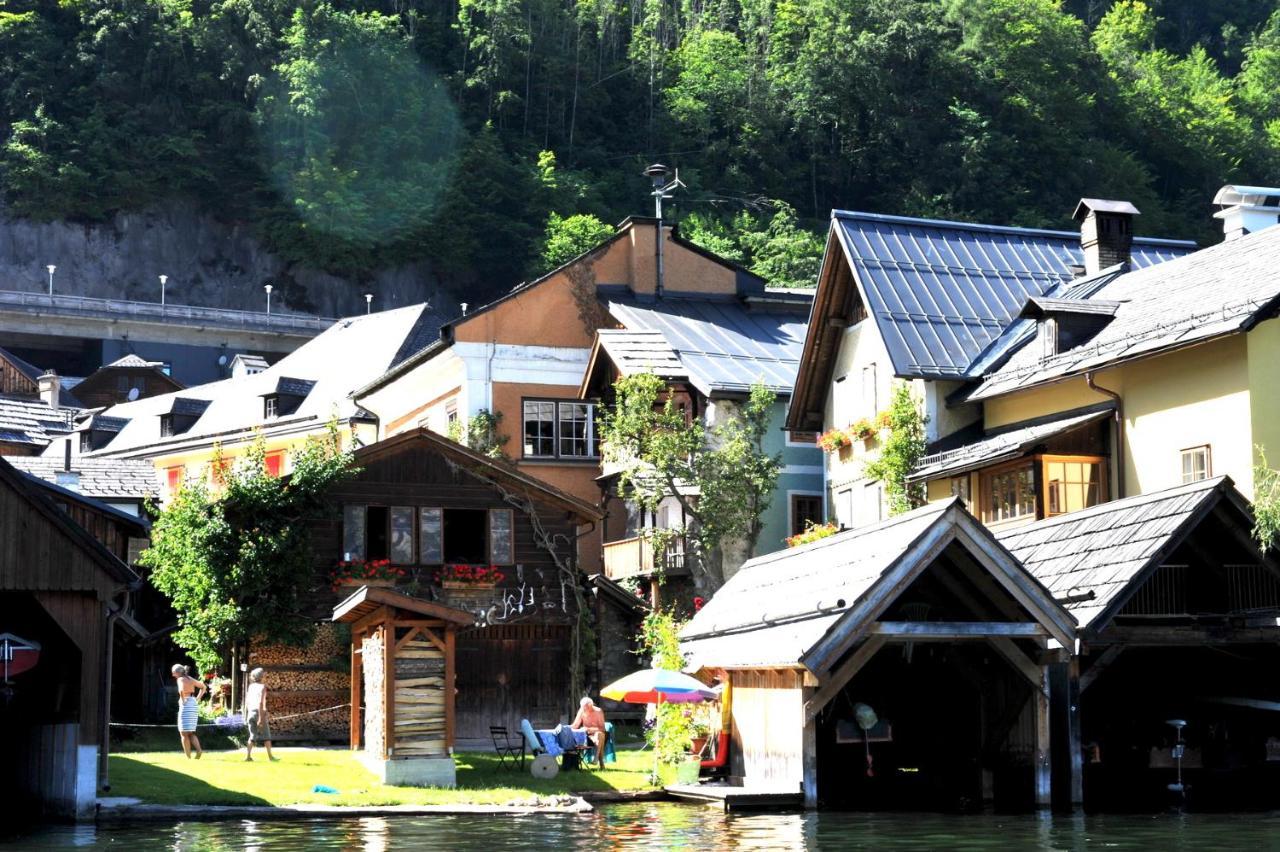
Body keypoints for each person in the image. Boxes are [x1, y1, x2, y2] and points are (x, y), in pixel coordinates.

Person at [171, 664, 205, 759]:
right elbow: (203, 687)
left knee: (183, 733)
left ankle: (188, 757)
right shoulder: (190, 678)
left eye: (173, 673)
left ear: (178, 672)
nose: (173, 675)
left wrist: (182, 699)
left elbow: (181, 690)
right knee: (191, 732)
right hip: (193, 703)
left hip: (185, 703)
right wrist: (197, 698)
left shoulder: (180, 679)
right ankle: (199, 750)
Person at [244, 667, 277, 762]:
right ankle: (271, 757)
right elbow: (260, 703)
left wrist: (248, 714)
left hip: (250, 712)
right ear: (261, 677)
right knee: (266, 736)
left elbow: (247, 702)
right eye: (264, 675)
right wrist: (260, 718)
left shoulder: (250, 686)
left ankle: (248, 757)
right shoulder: (263, 687)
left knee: (252, 736)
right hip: (259, 712)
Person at [570, 696, 607, 770]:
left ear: (591, 705)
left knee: (599, 735)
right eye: (583, 707)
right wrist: (566, 728)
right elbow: (576, 725)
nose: (584, 709)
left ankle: (596, 758)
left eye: (586, 708)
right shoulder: (582, 710)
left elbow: (602, 728)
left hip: (597, 734)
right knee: (600, 738)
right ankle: (601, 762)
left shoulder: (598, 711)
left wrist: (589, 729)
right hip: (586, 736)